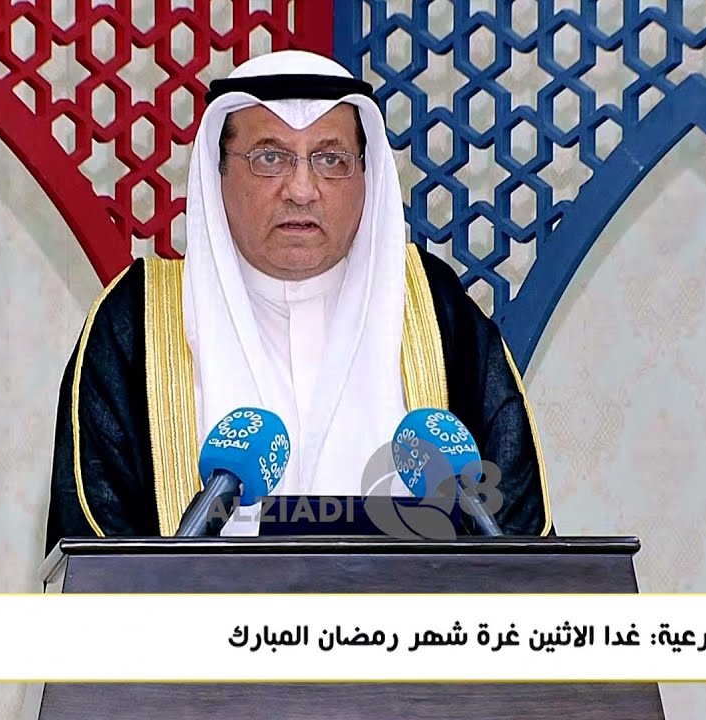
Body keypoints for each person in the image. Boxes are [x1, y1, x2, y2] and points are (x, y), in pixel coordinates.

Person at [45, 50, 552, 552]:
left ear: (366, 174)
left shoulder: (436, 311)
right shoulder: (137, 321)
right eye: (270, 158)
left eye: (331, 159)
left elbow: (517, 532)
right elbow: (94, 549)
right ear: (218, 173)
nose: (302, 190)